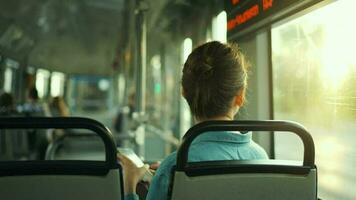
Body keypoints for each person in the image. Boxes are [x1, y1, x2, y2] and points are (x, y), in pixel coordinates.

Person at [118, 41, 268, 200]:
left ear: (183, 93)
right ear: (240, 96)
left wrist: (130, 185)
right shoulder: (261, 158)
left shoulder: (173, 168)